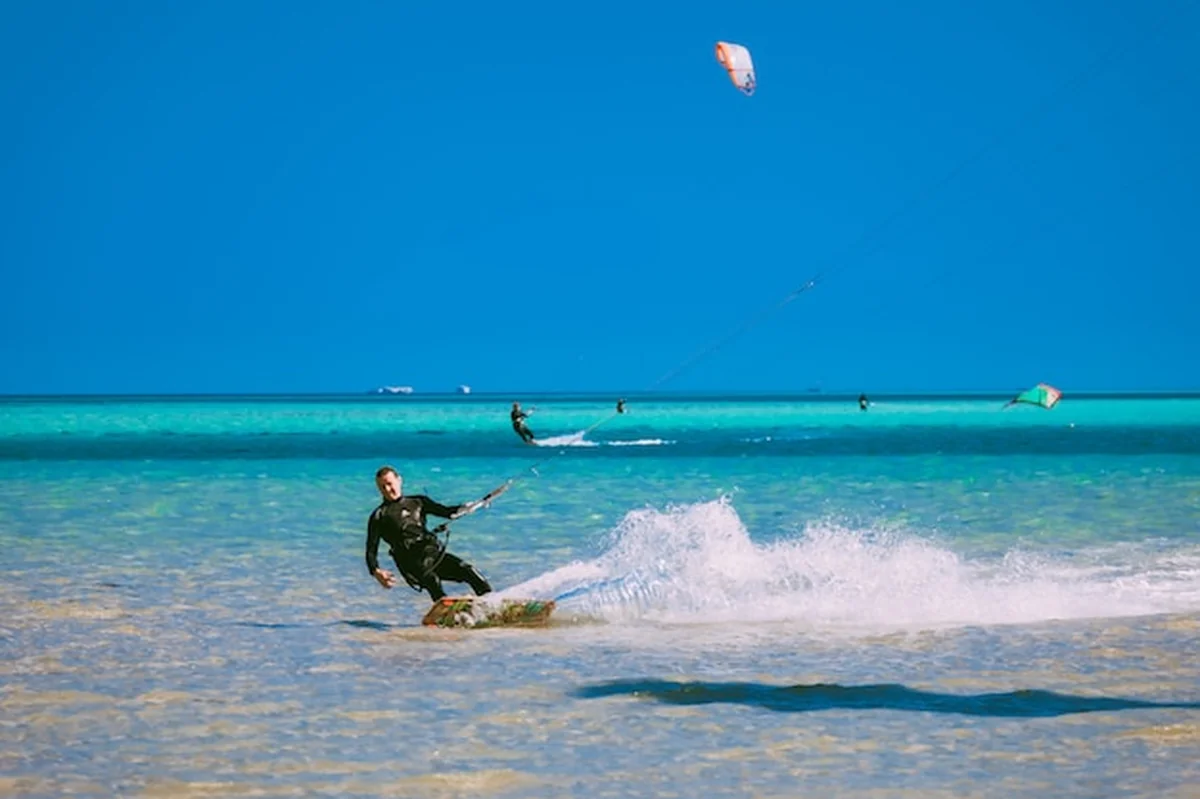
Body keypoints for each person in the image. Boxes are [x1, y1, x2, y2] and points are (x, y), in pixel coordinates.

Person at [365, 466, 492, 602]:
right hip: (410, 563)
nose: (387, 490)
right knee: (432, 580)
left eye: (389, 484)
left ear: (399, 480)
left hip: (431, 554)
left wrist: (468, 506)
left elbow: (446, 512)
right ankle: (444, 611)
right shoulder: (379, 516)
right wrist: (376, 571)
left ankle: (492, 602)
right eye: (382, 487)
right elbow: (371, 549)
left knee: (468, 570)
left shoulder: (418, 502)